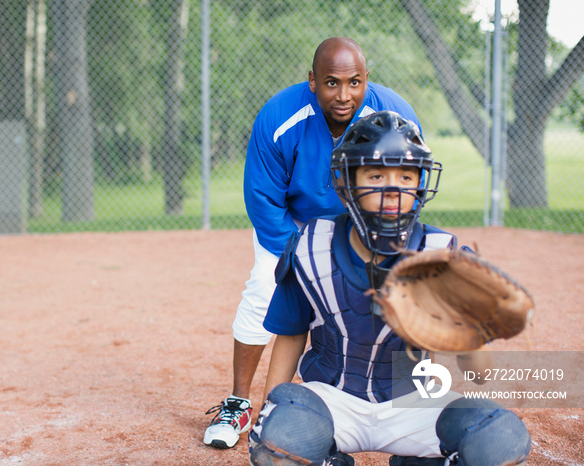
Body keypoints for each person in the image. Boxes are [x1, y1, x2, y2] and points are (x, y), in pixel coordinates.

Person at [247, 111, 531, 465]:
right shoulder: (311, 245)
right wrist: (271, 407)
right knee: (278, 439)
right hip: (333, 398)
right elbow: (291, 334)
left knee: (498, 441)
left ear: (421, 183)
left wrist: (469, 332)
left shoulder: (444, 257)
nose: (393, 189)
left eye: (406, 175)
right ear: (348, 180)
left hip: (413, 399)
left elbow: (482, 374)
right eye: (376, 174)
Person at [204, 36, 424, 449]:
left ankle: (384, 402)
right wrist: (301, 253)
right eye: (332, 83)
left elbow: (410, 182)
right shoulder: (279, 115)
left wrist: (378, 241)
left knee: (386, 302)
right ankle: (240, 403)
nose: (344, 95)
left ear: (366, 79)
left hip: (364, 227)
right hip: (293, 226)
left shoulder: (394, 114)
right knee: (264, 292)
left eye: (354, 82)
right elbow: (263, 197)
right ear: (312, 81)